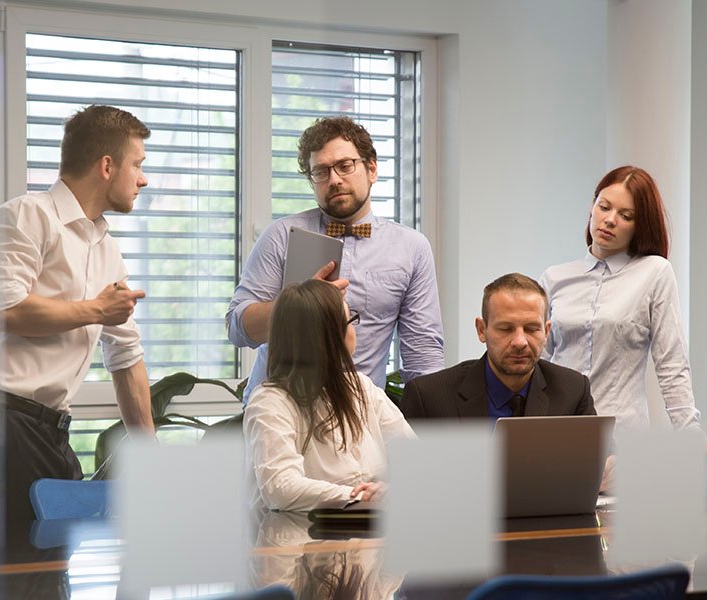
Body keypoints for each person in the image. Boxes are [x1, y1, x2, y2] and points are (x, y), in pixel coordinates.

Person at [0, 105, 156, 525]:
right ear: (107, 165)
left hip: (50, 434)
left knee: (54, 580)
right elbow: (6, 310)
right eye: (138, 164)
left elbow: (126, 357)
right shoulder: (25, 216)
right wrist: (97, 309)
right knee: (13, 583)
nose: (143, 179)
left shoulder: (106, 248)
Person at [226, 116, 444, 403]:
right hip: (278, 410)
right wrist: (296, 303)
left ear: (372, 169)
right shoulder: (280, 236)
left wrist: (437, 431)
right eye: (320, 172)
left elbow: (423, 355)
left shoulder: (412, 247)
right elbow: (238, 329)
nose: (334, 180)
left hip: (359, 417)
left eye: (345, 166)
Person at [539, 165, 707, 469]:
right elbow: (538, 364)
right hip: (558, 437)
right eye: (604, 207)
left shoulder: (654, 272)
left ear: (639, 226)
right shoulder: (554, 278)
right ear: (592, 207)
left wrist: (692, 438)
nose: (610, 219)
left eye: (626, 216)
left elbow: (671, 363)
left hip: (622, 443)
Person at [243, 279, 415, 512]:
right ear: (328, 337)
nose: (356, 331)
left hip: (368, 533)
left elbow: (415, 459)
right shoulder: (270, 402)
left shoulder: (361, 387)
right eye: (350, 322)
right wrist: (360, 496)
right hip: (297, 539)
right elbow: (281, 488)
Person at [400, 273, 595, 421]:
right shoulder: (428, 397)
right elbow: (405, 471)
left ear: (546, 332)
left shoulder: (573, 391)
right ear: (481, 330)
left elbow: (597, 458)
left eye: (531, 329)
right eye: (506, 329)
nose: (520, 341)